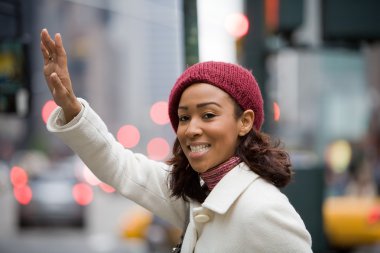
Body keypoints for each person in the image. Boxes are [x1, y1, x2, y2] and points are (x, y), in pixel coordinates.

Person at [40, 28, 312, 253]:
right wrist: (71, 107)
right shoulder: (197, 192)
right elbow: (118, 165)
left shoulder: (264, 210)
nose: (191, 129)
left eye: (208, 115)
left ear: (245, 122)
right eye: (184, 118)